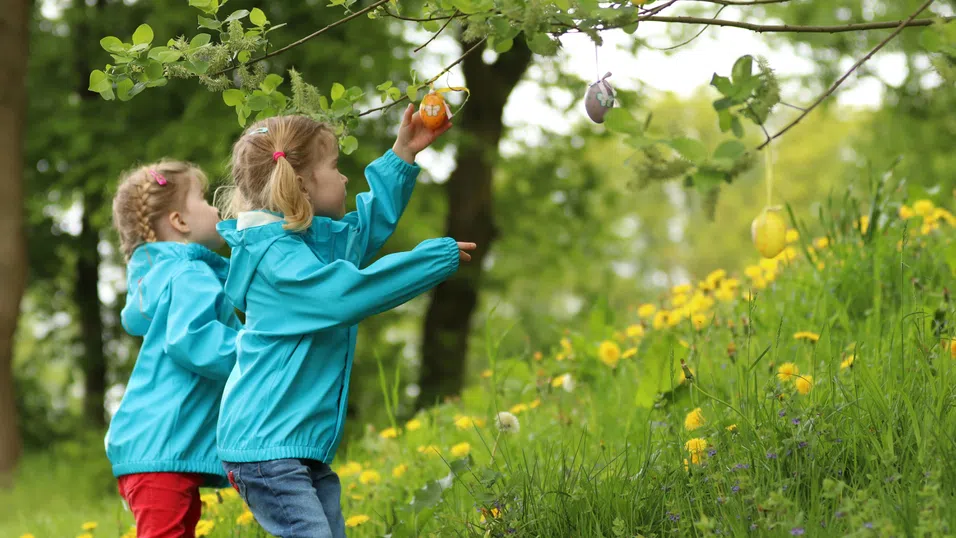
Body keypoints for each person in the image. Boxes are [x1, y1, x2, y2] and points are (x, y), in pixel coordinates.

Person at [215, 105, 475, 537]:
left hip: (293, 443)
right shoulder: (276, 261)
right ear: (302, 184)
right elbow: (345, 294)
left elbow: (360, 234)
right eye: (335, 167)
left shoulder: (304, 245)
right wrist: (431, 259)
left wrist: (402, 156)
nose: (344, 179)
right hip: (266, 447)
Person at [105, 160, 242, 538]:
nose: (215, 208)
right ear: (179, 221)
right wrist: (253, 349)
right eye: (204, 198)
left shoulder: (166, 276)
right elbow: (192, 339)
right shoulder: (189, 273)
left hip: (157, 447)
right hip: (162, 447)